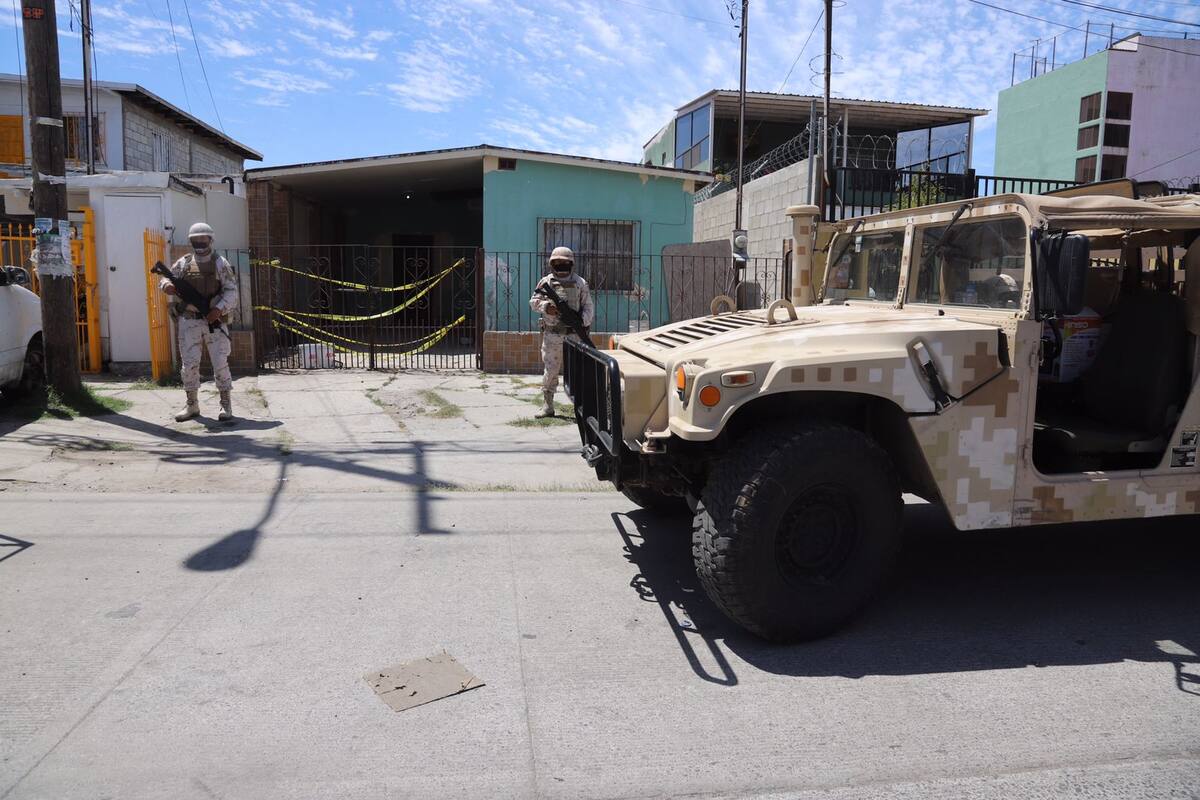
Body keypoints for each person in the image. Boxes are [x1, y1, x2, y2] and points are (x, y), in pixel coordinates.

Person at [160, 222, 239, 422]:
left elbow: (232, 291)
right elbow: (165, 278)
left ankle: (225, 405)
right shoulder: (184, 262)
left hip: (214, 320)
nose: (199, 242)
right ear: (191, 241)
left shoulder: (220, 263)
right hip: (189, 321)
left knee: (220, 363)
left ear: (210, 239)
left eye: (203, 239)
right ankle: (191, 405)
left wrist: (218, 309)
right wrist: (167, 285)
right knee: (189, 365)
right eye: (196, 239)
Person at [528, 246, 594, 418]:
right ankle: (548, 405)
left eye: (564, 263)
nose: (560, 266)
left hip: (575, 334)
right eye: (557, 263)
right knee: (551, 370)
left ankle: (580, 408)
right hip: (552, 335)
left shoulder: (580, 283)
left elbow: (588, 307)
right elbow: (533, 301)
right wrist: (545, 307)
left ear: (571, 264)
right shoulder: (546, 282)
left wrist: (581, 321)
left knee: (578, 371)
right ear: (551, 264)